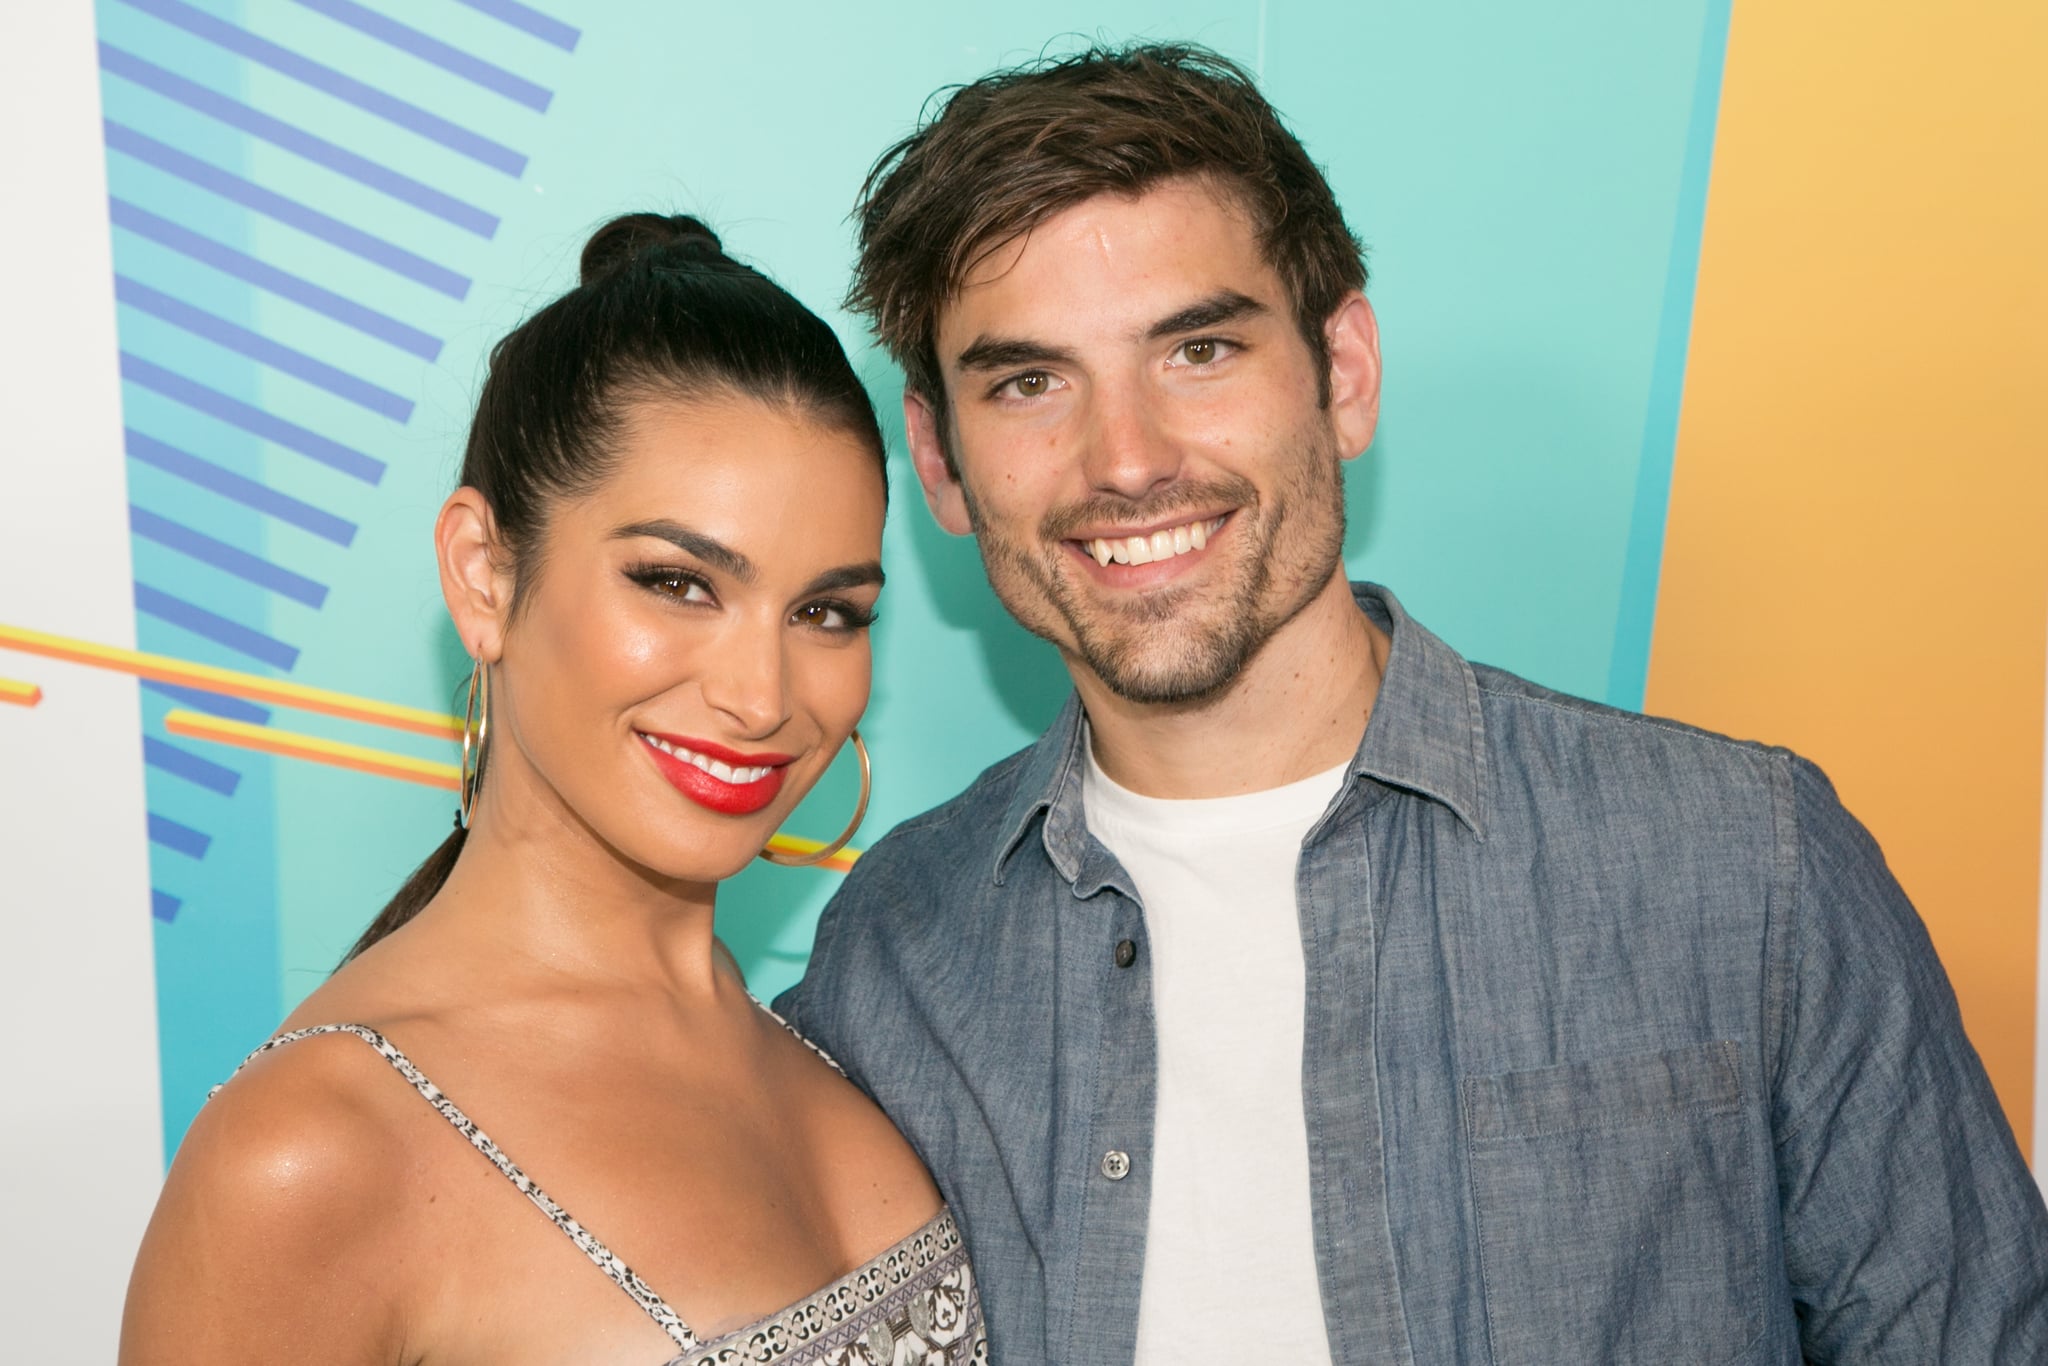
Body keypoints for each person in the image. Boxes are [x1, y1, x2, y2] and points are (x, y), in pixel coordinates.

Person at [775, 44, 2048, 1364]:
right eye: (1031, 381)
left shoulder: (1745, 867)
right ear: (939, 460)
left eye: (1199, 349)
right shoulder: (893, 965)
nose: (1129, 457)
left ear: (1346, 369)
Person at [121, 214, 987, 1366]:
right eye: (677, 583)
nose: (761, 693)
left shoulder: (858, 1030)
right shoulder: (313, 1153)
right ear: (484, 575)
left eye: (826, 611)